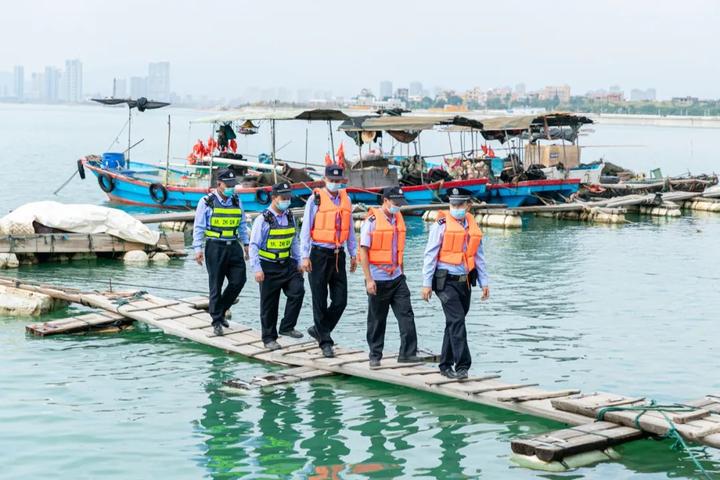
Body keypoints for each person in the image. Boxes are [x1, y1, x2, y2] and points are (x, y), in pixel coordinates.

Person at [421, 187, 490, 379]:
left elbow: (479, 256)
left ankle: (444, 366)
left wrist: (485, 282)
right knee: (457, 321)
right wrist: (426, 283)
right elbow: (430, 255)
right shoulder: (441, 225)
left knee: (453, 323)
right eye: (453, 204)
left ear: (468, 205)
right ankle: (462, 367)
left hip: (465, 282)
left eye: (460, 204)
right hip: (445, 282)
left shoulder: (473, 226)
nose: (456, 208)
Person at [299, 164, 358, 358]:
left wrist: (353, 253)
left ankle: (319, 330)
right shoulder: (314, 200)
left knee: (341, 299)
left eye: (337, 181)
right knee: (319, 298)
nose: (334, 184)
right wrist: (305, 256)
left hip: (338, 254)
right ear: (325, 180)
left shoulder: (346, 200)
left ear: (342, 181)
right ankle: (325, 342)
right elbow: (306, 229)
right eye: (331, 180)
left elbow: (349, 229)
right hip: (318, 253)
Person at [359, 186, 419, 368]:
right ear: (385, 201)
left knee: (406, 315)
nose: (398, 206)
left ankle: (408, 354)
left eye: (400, 203)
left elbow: (398, 250)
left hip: (397, 277)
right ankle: (375, 355)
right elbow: (363, 251)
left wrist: (402, 271)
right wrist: (369, 279)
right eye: (395, 203)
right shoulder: (371, 221)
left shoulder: (398, 219)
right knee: (377, 319)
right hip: (378, 277)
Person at [249, 182, 305, 350]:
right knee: (269, 305)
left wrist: (299, 260)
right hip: (268, 267)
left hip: (288, 264)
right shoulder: (263, 219)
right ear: (274, 198)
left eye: (289, 198)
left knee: (298, 291)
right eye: (283, 198)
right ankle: (269, 338)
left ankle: (287, 326)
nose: (287, 201)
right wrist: (257, 269)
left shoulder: (289, 216)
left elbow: (294, 240)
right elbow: (253, 245)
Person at [193, 168, 249, 336]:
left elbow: (242, 224)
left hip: (233, 246)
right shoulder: (206, 202)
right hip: (215, 247)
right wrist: (197, 249)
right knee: (215, 285)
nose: (232, 187)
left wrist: (246, 244)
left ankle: (222, 308)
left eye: (233, 184)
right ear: (219, 184)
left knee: (239, 280)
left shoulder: (237, 201)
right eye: (228, 184)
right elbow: (199, 227)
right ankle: (217, 321)